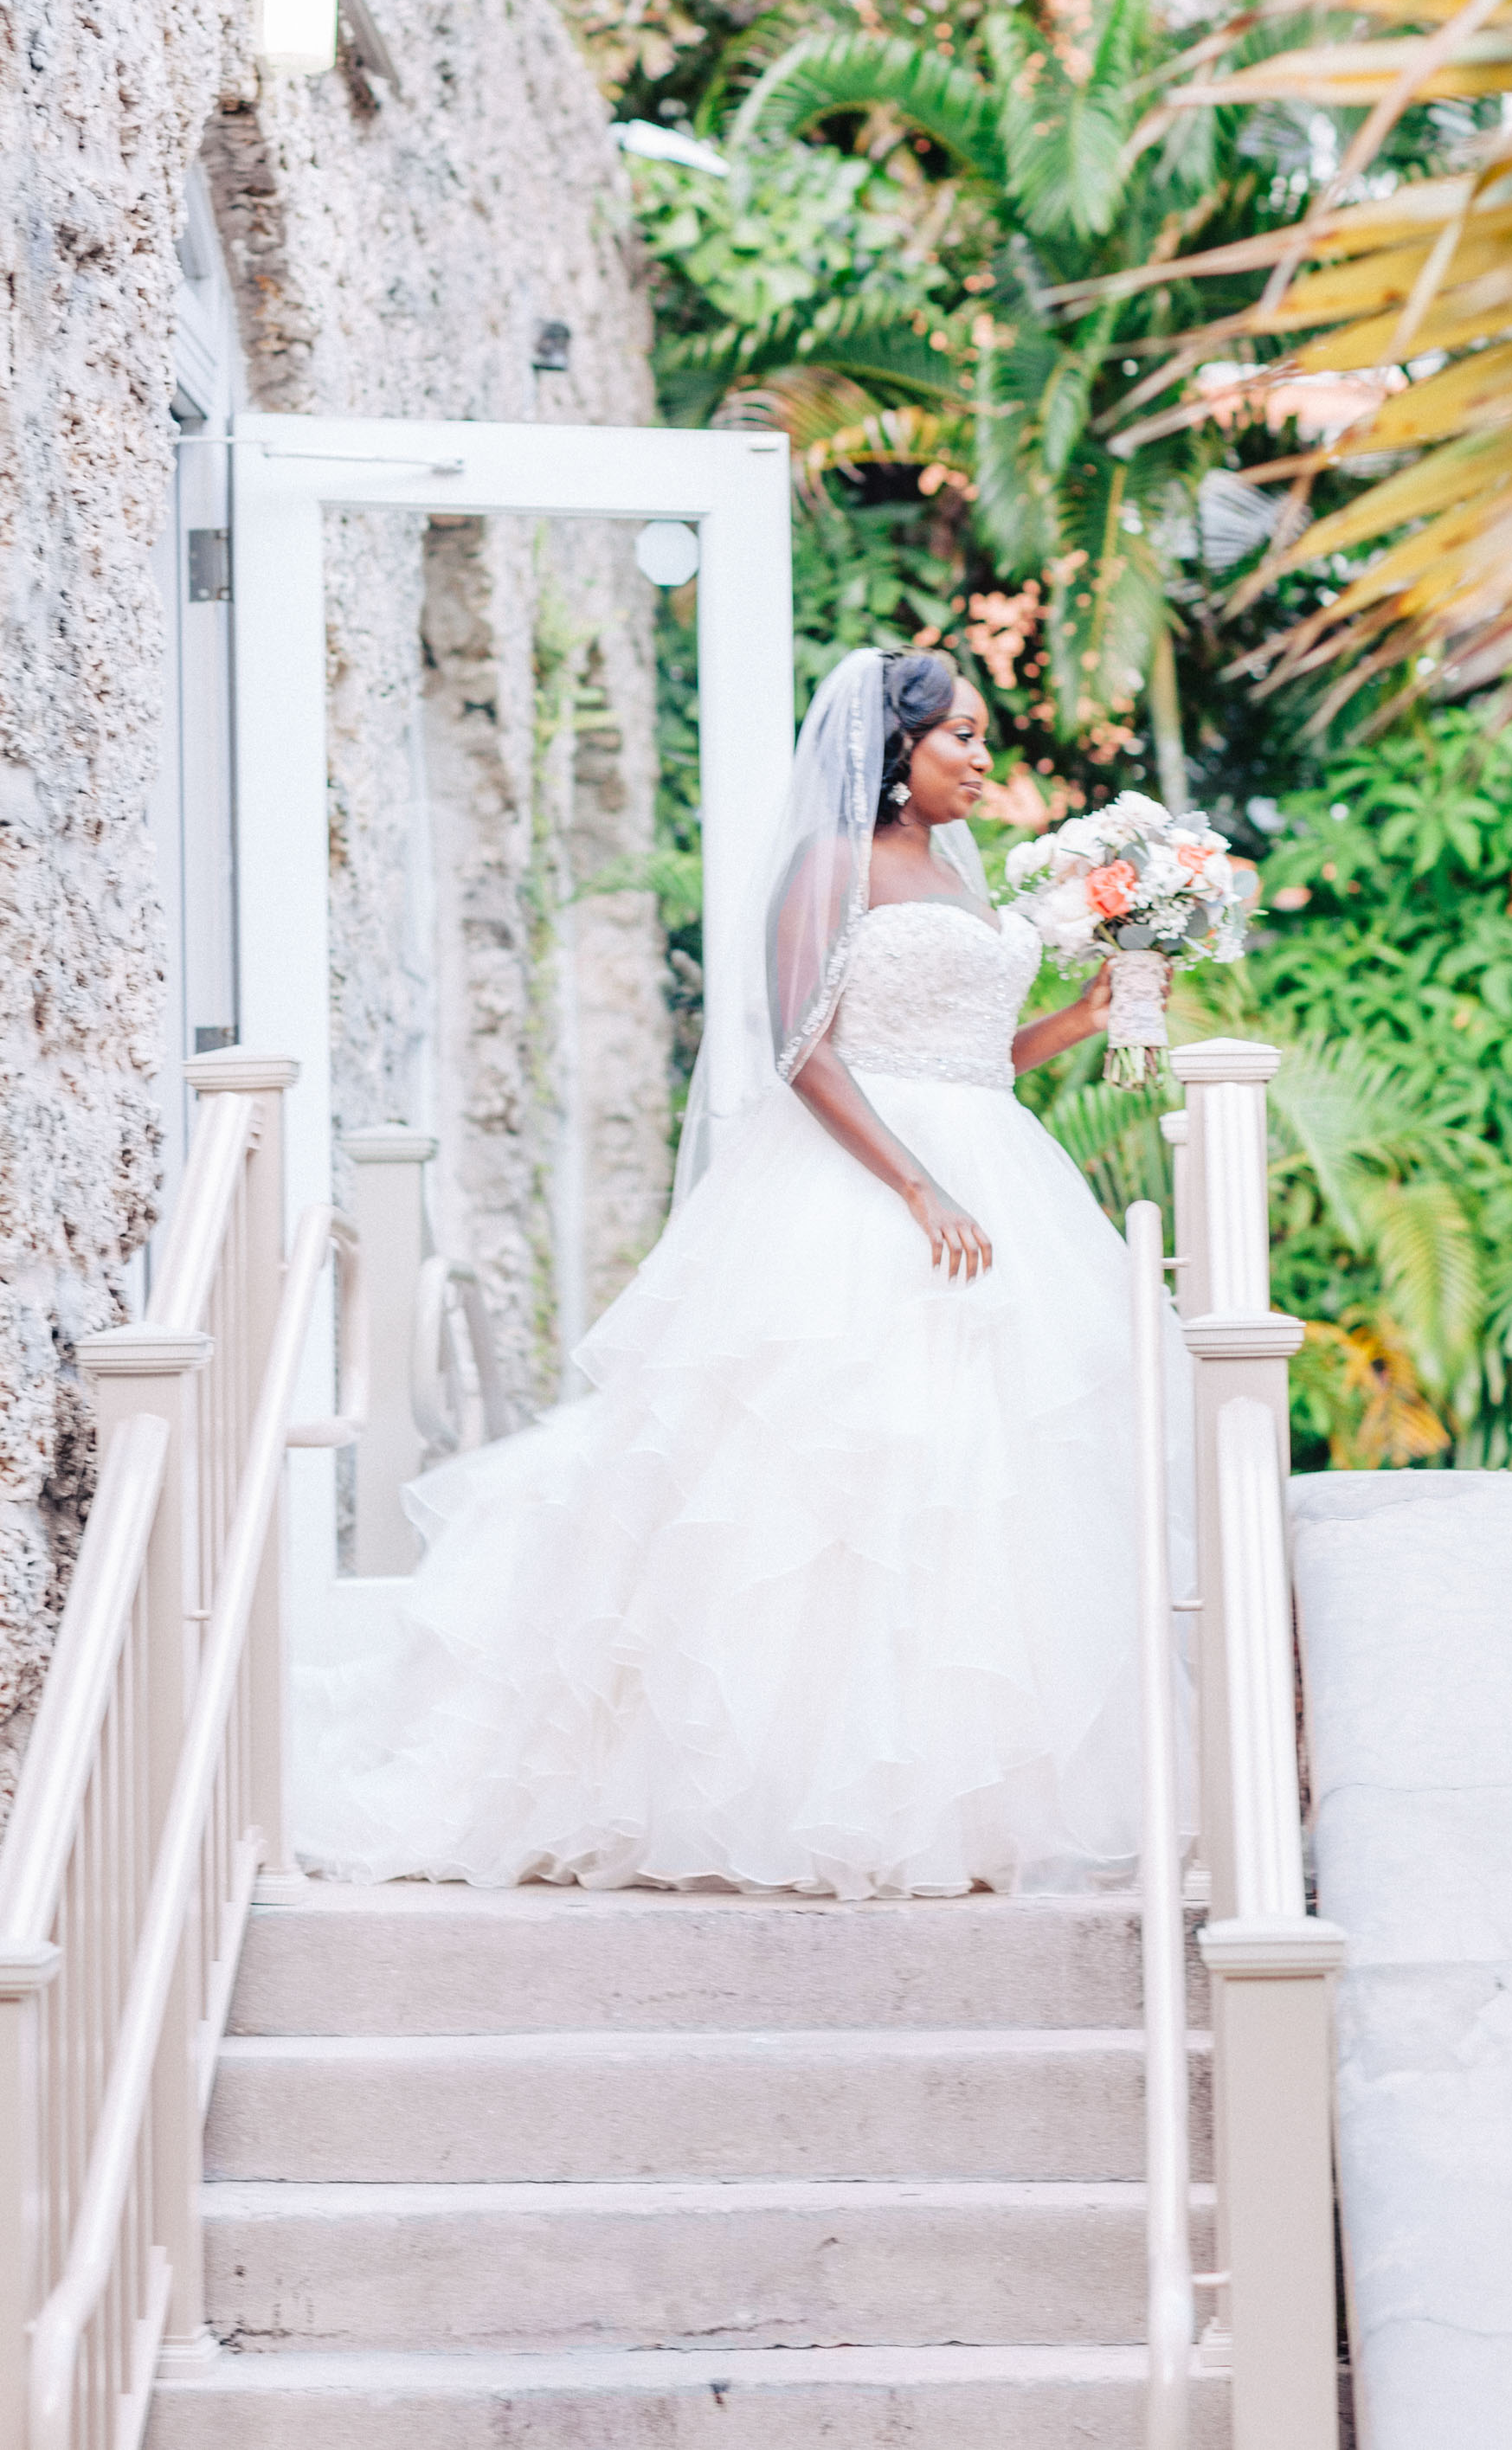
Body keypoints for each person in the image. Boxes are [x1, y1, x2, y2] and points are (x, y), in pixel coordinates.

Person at [295, 647, 1191, 1900]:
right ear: (895, 750)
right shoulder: (828, 867)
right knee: (819, 1483)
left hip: (993, 1173)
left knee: (973, 1489)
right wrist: (917, 1186)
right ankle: (777, 1786)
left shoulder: (959, 872)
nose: (985, 761)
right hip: (865, 1188)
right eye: (963, 740)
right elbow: (804, 1049)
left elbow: (977, 1058)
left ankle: (955, 1800)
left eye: (987, 740)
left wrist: (1082, 1020)